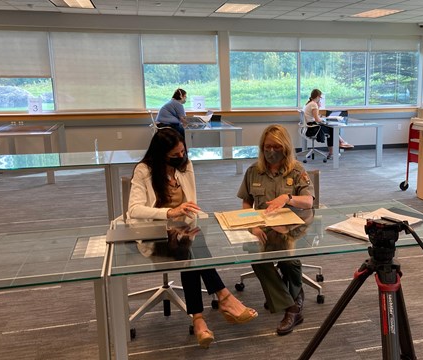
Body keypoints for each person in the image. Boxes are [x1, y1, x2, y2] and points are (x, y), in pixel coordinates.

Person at [127, 127, 257, 348]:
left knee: (191, 246)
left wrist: (186, 216)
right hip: (155, 233)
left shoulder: (186, 167)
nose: (181, 157)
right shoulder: (144, 170)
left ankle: (199, 319)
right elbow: (134, 210)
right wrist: (170, 212)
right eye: (175, 155)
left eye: (183, 152)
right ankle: (223, 298)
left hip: (185, 230)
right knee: (193, 246)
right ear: (161, 154)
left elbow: (192, 201)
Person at [237, 124, 315, 335]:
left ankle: (291, 305)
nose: (271, 151)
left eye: (276, 147)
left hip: (295, 224)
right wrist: (252, 225)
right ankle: (292, 304)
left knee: (288, 256)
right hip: (266, 224)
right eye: (267, 147)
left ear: (285, 147)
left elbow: (308, 201)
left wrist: (287, 198)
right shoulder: (254, 171)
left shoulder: (297, 170)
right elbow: (246, 202)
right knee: (257, 258)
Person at [303, 89, 354, 159]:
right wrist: (323, 119)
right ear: (318, 96)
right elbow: (317, 119)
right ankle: (338, 145)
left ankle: (338, 145)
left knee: (331, 129)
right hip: (313, 128)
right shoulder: (314, 104)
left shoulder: (309, 104)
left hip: (311, 126)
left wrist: (321, 115)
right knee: (332, 129)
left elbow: (314, 117)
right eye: (320, 98)